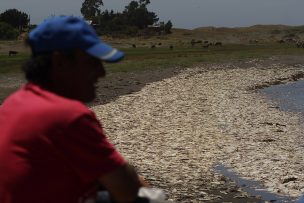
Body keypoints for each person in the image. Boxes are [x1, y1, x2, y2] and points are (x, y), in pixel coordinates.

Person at [0, 16, 150, 203]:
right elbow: (128, 191)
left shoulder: (12, 104)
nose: (101, 73)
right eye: (92, 62)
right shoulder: (68, 116)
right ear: (60, 61)